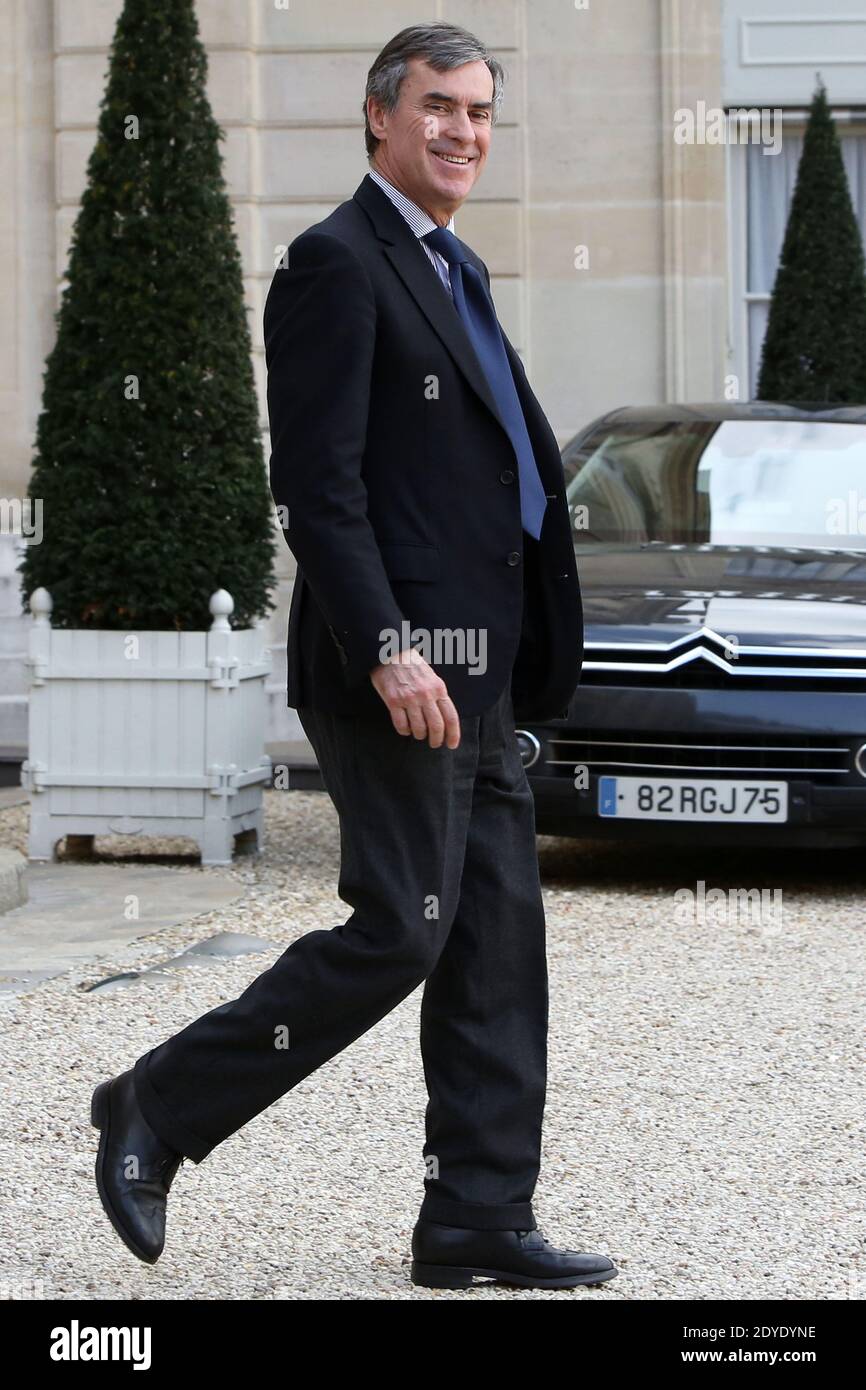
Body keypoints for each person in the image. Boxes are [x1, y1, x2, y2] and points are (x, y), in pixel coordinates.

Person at [92, 20, 618, 1292]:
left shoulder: (456, 267)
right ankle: (154, 1106)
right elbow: (318, 491)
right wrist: (388, 647)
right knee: (402, 926)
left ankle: (477, 1216)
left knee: (493, 944)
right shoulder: (336, 263)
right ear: (378, 114)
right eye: (439, 105)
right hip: (398, 670)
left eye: (480, 112)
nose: (462, 131)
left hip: (482, 676)